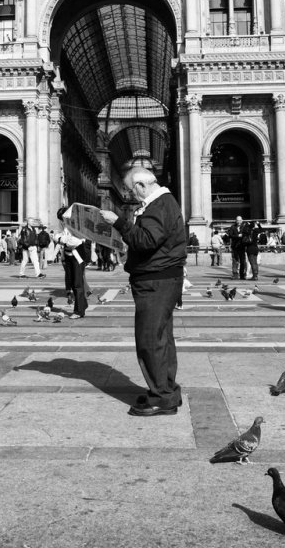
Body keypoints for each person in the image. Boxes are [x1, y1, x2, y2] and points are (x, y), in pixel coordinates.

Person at [100, 166, 186, 417]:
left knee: (150, 339)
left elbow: (146, 241)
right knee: (162, 338)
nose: (130, 195)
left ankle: (161, 398)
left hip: (156, 282)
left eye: (130, 190)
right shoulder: (163, 204)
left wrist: (119, 222)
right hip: (161, 279)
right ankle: (167, 391)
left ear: (140, 185)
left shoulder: (159, 205)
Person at [54, 207, 88, 319]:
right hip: (68, 257)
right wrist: (62, 239)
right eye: (61, 220)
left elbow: (75, 241)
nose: (62, 222)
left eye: (63, 219)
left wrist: (62, 239)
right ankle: (83, 304)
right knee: (72, 283)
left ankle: (79, 311)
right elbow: (56, 236)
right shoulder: (64, 226)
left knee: (78, 284)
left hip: (77, 257)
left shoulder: (77, 225)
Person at [228, 215, 248, 279]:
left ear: (242, 220)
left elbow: (247, 234)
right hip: (235, 246)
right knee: (235, 261)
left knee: (243, 261)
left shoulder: (244, 227)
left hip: (242, 246)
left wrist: (242, 235)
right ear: (235, 221)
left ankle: (243, 275)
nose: (238, 221)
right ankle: (235, 274)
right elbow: (230, 235)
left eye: (240, 220)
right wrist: (237, 236)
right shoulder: (233, 227)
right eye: (237, 220)